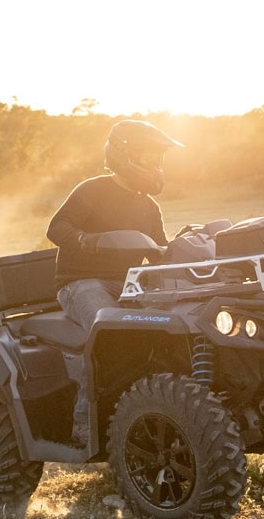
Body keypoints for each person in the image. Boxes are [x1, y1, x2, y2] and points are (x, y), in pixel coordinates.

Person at [46, 119, 182, 442]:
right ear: (124, 155)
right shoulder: (92, 190)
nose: (154, 165)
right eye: (148, 157)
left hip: (129, 285)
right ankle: (84, 427)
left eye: (157, 159)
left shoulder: (149, 206)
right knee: (108, 331)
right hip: (80, 283)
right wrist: (87, 240)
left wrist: (185, 245)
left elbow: (159, 251)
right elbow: (56, 228)